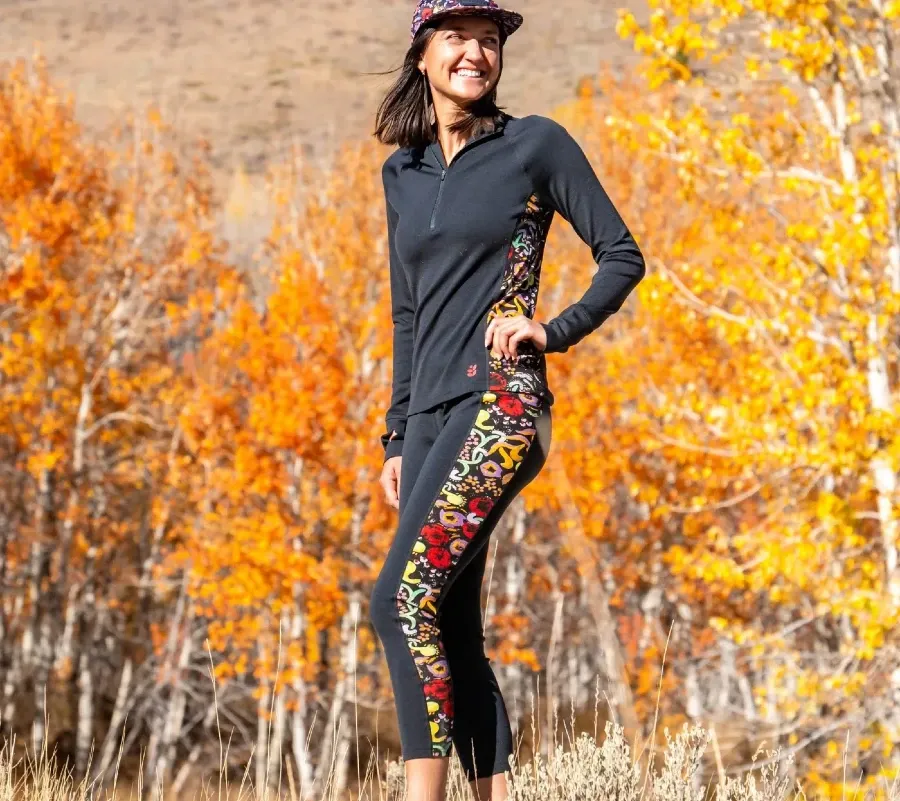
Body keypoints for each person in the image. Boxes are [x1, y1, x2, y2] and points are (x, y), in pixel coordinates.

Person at [368, 2, 646, 799]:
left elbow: (621, 255)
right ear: (423, 54)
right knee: (450, 622)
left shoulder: (535, 146)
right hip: (428, 422)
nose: (476, 54)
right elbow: (408, 312)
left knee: (399, 599)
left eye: (490, 42)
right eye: (458, 38)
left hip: (501, 405)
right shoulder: (403, 172)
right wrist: (395, 435)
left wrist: (551, 329)